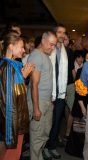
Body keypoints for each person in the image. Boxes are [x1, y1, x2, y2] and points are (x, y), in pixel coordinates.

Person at [0, 31, 34, 160]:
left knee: (10, 154)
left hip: (16, 119)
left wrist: (23, 76)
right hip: (14, 121)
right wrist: (24, 76)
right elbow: (9, 99)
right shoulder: (8, 67)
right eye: (21, 47)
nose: (23, 50)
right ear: (10, 46)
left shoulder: (13, 65)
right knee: (12, 155)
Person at [27, 31, 57, 160]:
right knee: (37, 137)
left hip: (46, 102)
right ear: (43, 41)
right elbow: (34, 84)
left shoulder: (44, 55)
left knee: (44, 134)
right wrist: (36, 108)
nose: (52, 47)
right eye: (51, 44)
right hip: (38, 103)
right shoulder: (36, 56)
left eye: (54, 45)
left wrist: (50, 102)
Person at [44, 24, 68, 159]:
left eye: (63, 33)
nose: (62, 35)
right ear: (54, 33)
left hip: (60, 93)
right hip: (49, 93)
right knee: (48, 122)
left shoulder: (65, 51)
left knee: (57, 122)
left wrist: (64, 93)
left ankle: (52, 147)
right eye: (59, 32)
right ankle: (45, 147)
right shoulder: (48, 50)